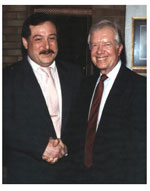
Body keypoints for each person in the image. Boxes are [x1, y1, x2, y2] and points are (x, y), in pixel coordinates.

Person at [3, 12, 82, 183]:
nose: (47, 45)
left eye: (52, 38)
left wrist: (66, 149)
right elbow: (5, 125)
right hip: (26, 175)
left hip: (70, 176)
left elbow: (82, 122)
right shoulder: (8, 78)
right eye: (38, 39)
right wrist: (39, 147)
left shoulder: (75, 75)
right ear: (25, 43)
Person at [71, 20, 146, 183]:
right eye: (94, 45)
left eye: (106, 44)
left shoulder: (140, 88)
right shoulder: (85, 85)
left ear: (119, 49)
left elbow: (141, 150)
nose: (99, 51)